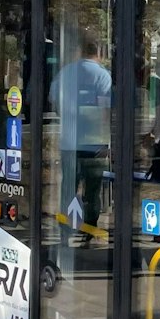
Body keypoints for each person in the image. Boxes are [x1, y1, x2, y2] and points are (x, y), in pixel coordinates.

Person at [50, 34, 112, 235]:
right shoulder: (103, 76)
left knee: (68, 189)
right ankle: (89, 230)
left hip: (69, 142)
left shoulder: (66, 72)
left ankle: (65, 232)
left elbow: (53, 98)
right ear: (99, 52)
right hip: (95, 143)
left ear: (81, 51)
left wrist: (67, 116)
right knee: (93, 191)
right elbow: (105, 110)